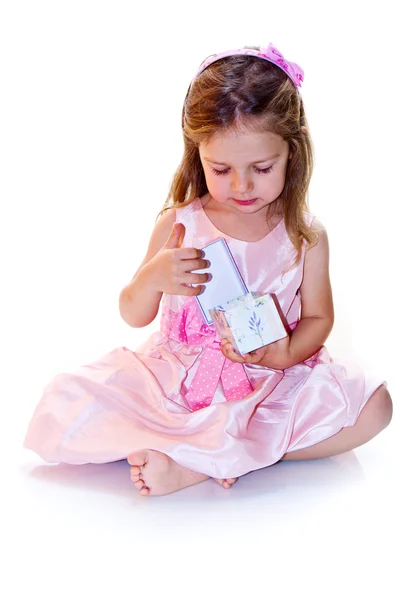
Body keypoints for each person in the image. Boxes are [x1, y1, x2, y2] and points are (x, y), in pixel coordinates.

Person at [24, 43, 393, 496]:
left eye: (262, 167)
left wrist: (283, 354)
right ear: (196, 153)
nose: (241, 186)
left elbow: (320, 319)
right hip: (180, 378)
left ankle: (199, 459)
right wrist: (151, 279)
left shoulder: (306, 235)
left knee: (376, 407)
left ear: (291, 152)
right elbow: (133, 312)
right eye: (221, 168)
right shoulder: (180, 224)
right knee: (69, 401)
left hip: (268, 378)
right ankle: (216, 447)